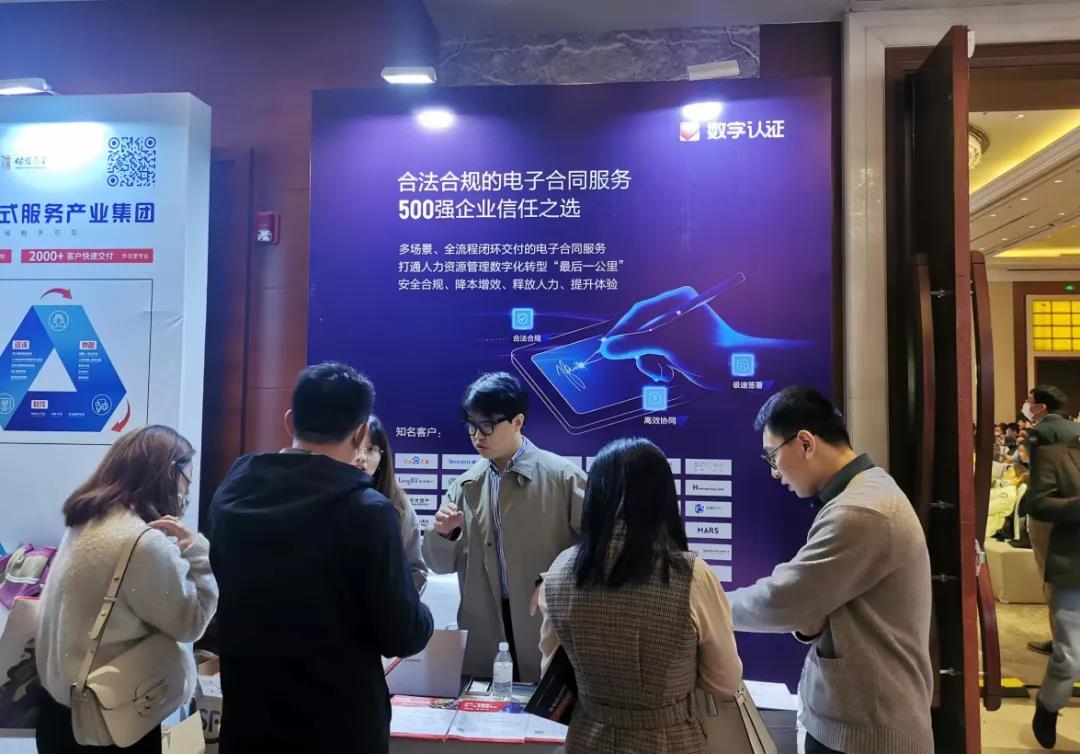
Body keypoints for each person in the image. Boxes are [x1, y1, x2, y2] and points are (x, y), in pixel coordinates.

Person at [209, 363, 433, 754]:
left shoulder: (235, 489)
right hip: (338, 726)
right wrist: (422, 613)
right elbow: (402, 633)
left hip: (249, 720)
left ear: (289, 421)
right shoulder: (367, 510)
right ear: (360, 433)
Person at [726, 387, 932, 754]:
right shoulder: (861, 494)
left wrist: (702, 603)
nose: (774, 472)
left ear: (805, 443)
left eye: (773, 456)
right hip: (858, 721)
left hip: (867, 733)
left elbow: (783, 600)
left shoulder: (860, 510)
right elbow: (810, 607)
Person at [538, 437, 742, 754]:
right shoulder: (691, 574)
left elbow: (549, 666)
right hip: (670, 740)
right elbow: (724, 681)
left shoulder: (561, 569)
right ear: (663, 497)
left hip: (585, 739)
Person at [35, 426, 218, 754]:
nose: (185, 493)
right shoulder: (141, 543)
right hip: (108, 719)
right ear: (168, 473)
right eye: (186, 480)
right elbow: (191, 622)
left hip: (58, 711)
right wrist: (198, 551)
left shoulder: (86, 520)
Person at [423, 372, 585, 682]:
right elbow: (439, 565)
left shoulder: (563, 478)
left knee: (547, 705)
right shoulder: (465, 485)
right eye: (471, 425)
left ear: (518, 422)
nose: (477, 436)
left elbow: (599, 548)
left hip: (546, 623)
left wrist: (553, 580)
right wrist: (443, 534)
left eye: (487, 425)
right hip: (484, 631)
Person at [1026, 437, 1080, 749]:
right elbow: (1037, 504)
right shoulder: (1054, 455)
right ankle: (1048, 704)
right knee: (1070, 657)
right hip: (1072, 568)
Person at [1021, 385, 1080, 656]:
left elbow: (1038, 475)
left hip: (1050, 513)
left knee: (1052, 576)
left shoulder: (1041, 432)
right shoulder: (1074, 428)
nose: (1026, 405)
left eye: (1029, 401)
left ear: (1041, 407)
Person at [354, 414, 428, 591]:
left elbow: (416, 571)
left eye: (370, 449)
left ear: (382, 456)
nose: (361, 457)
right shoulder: (327, 496)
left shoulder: (399, 504)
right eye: (355, 448)